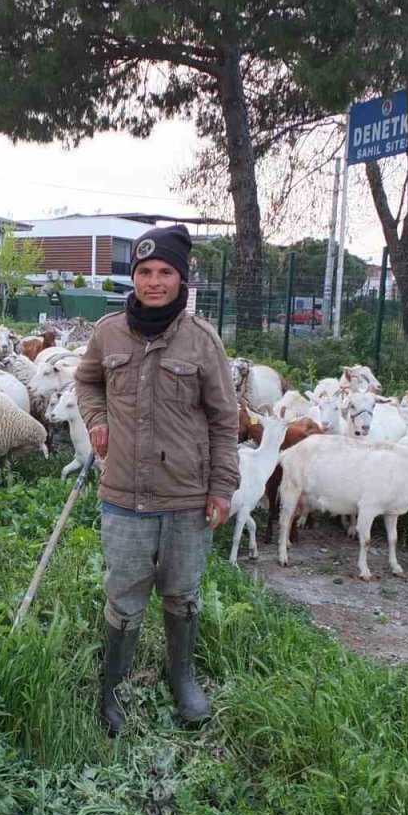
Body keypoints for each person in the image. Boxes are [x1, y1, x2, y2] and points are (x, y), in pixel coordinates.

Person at [74, 224, 239, 735]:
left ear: (182, 278)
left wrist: (222, 486)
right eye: (145, 272)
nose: (154, 281)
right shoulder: (108, 333)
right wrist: (97, 420)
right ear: (134, 277)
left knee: (182, 593)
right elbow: (86, 380)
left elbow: (224, 418)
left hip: (187, 496)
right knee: (123, 594)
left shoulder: (202, 341)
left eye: (165, 272)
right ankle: (114, 685)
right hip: (123, 494)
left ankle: (182, 677)